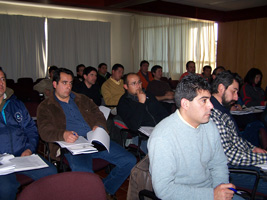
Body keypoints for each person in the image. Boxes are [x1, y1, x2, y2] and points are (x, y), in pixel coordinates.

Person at [37, 68, 136, 199]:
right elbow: (44, 131)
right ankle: (96, 192)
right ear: (54, 84)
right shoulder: (46, 106)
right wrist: (63, 134)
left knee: (129, 160)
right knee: (86, 176)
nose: (69, 86)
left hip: (94, 139)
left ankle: (104, 190)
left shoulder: (81, 98)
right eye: (64, 83)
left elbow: (98, 113)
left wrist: (99, 125)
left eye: (71, 83)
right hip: (73, 146)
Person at [148, 74, 242, 200]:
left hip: (211, 191)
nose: (211, 106)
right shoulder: (162, 137)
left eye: (209, 100)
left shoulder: (209, 125)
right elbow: (164, 190)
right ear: (185, 104)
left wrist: (220, 189)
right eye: (204, 100)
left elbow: (219, 164)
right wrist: (212, 195)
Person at [0, 67, 57, 200]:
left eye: (3, 79)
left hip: (23, 155)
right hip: (2, 162)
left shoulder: (16, 104)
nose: (1, 83)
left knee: (51, 172)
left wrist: (29, 149)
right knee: (6, 188)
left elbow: (31, 129)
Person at [210, 71, 267, 195]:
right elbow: (229, 156)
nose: (236, 97)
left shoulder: (222, 109)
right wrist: (262, 158)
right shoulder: (213, 113)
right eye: (234, 91)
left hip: (237, 165)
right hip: (229, 171)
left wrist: (253, 148)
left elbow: (236, 139)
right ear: (221, 88)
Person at [117, 73, 169, 153]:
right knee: (163, 152)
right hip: (142, 137)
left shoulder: (148, 95)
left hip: (161, 131)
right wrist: (141, 103)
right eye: (134, 83)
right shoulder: (124, 103)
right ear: (126, 87)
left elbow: (163, 112)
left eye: (139, 82)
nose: (138, 85)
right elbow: (134, 126)